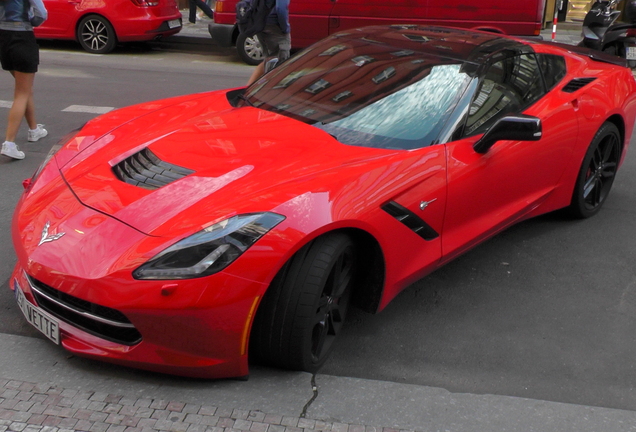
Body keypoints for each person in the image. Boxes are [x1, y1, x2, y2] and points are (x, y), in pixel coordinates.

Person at [0, 0, 48, 160]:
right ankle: (9, 143)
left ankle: (34, 130)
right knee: (21, 92)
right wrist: (32, 22)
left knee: (25, 89)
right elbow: (41, 13)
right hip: (22, 36)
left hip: (3, 38)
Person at [247, 0, 290, 85]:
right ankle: (269, 90)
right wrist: (285, 28)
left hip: (259, 24)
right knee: (281, 63)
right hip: (274, 26)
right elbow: (280, 9)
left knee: (269, 59)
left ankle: (248, 89)